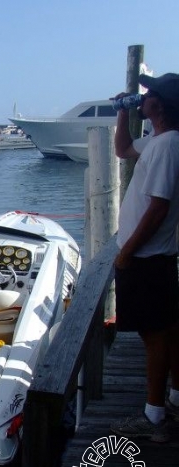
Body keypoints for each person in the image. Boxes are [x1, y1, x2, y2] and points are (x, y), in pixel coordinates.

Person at [110, 72, 179, 443]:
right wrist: (123, 112)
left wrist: (127, 252)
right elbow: (122, 151)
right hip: (154, 257)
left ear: (161, 105)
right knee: (169, 330)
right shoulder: (157, 140)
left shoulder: (168, 145)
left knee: (154, 337)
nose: (144, 96)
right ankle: (175, 399)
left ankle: (154, 417)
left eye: (150, 93)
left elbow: (158, 208)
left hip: (147, 258)